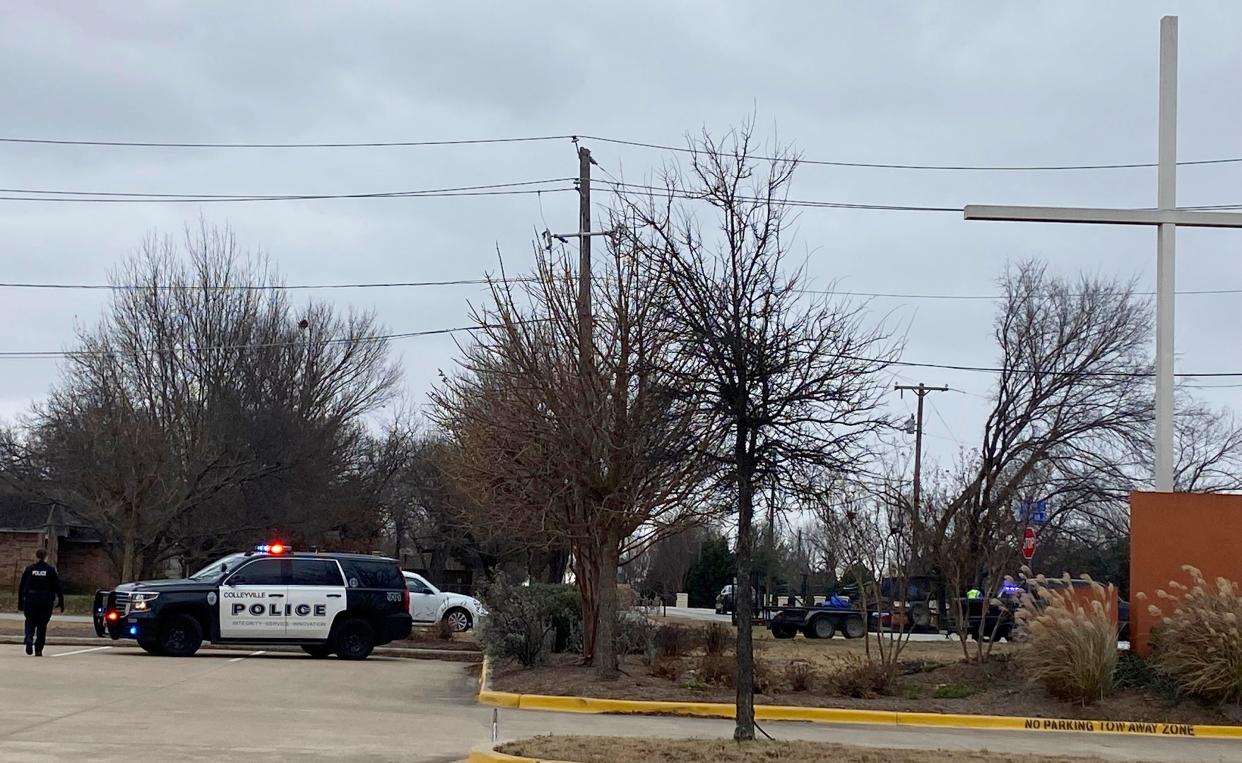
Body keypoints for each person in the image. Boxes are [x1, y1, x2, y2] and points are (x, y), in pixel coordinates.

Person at [17, 548, 64, 656]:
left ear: (36, 556)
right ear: (46, 557)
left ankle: (29, 638)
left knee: (30, 621)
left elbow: (22, 586)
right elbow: (58, 587)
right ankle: (38, 649)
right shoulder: (50, 570)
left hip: (31, 599)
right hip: (45, 600)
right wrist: (61, 602)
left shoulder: (29, 570)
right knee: (42, 625)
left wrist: (20, 602)